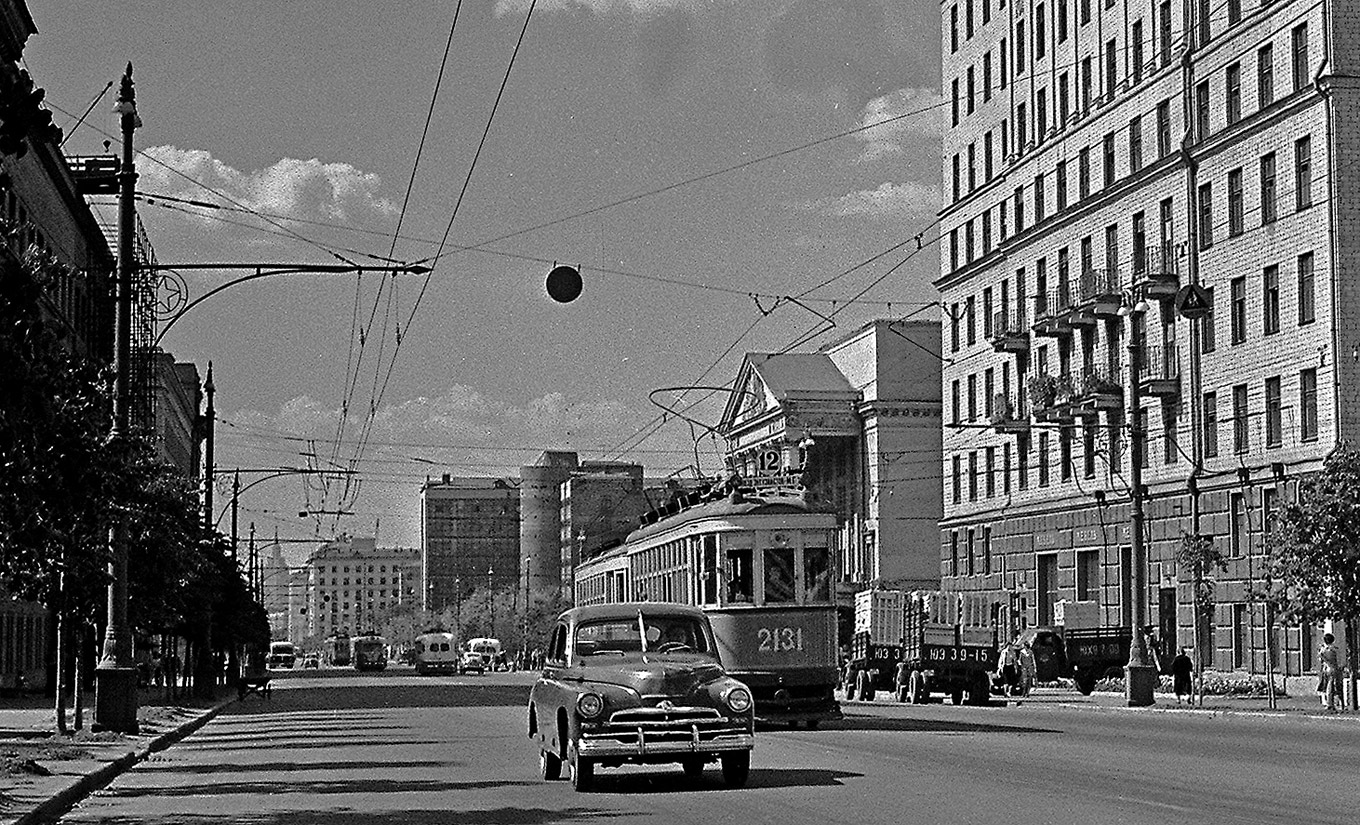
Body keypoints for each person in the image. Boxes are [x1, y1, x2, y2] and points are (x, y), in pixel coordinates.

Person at [1319, 633, 1343, 712]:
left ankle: (1330, 703)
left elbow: (1321, 658)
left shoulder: (1323, 649)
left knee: (1328, 686)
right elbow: (1338, 660)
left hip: (1326, 668)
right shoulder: (1334, 649)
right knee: (1334, 686)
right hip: (1333, 668)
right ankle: (1333, 703)